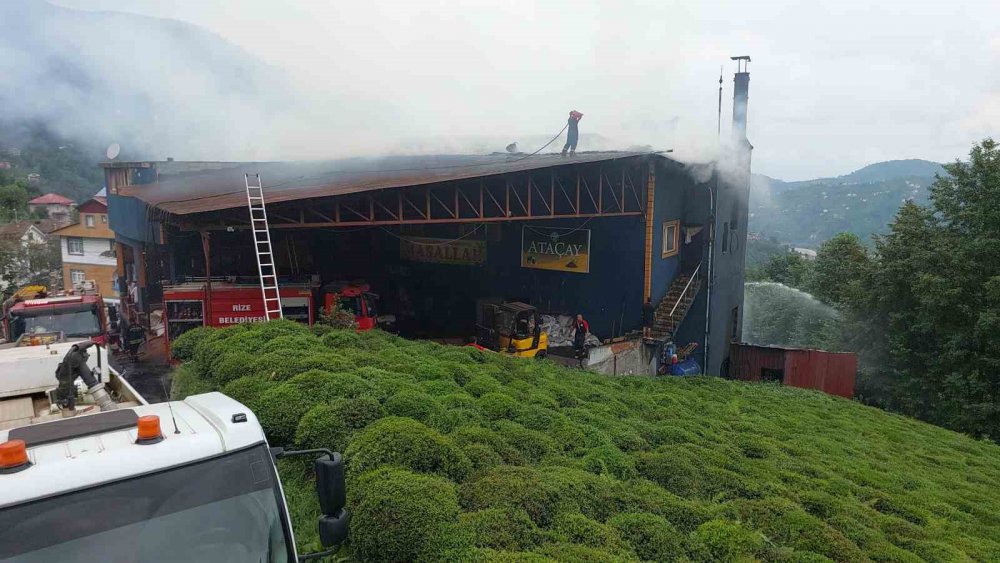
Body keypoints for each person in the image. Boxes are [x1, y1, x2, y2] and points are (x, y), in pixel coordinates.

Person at [55, 342, 116, 416]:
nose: (88, 355)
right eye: (86, 355)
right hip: (67, 405)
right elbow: (92, 382)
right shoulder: (75, 359)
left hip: (67, 401)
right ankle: (68, 409)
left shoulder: (74, 360)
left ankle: (68, 409)